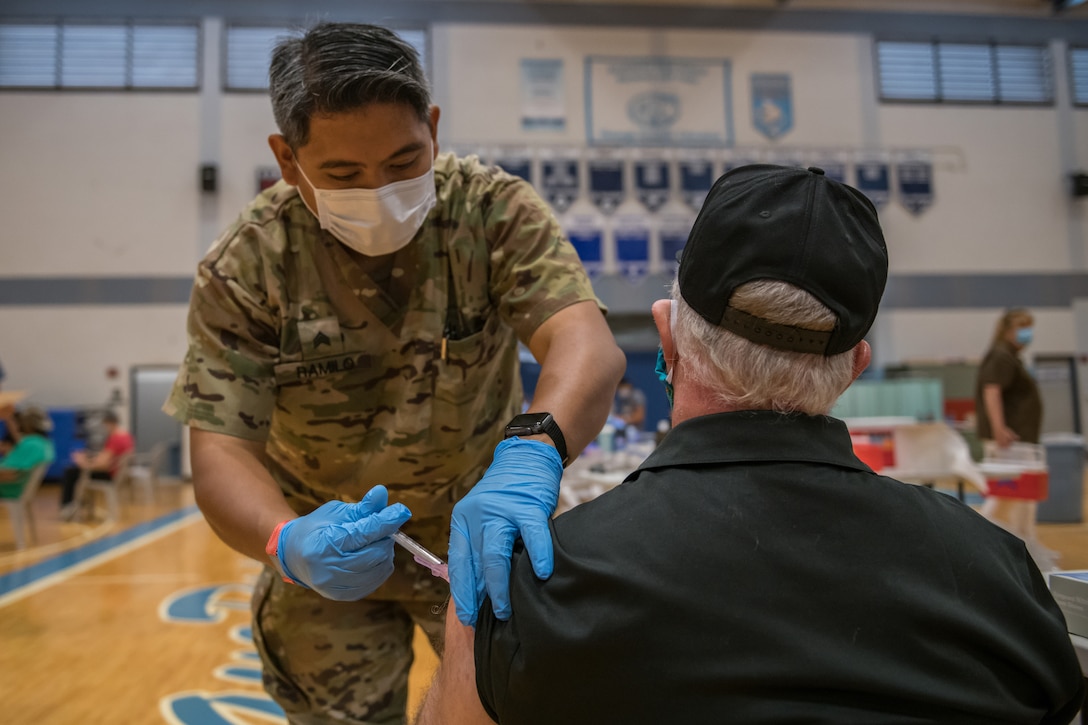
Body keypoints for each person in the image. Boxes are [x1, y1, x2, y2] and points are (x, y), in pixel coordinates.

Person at [414, 165, 1086, 725]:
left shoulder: (538, 586)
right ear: (855, 366)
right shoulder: (999, 581)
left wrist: (463, 631)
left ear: (667, 337)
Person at [162, 22, 624, 724]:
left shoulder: (491, 211)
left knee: (524, 703)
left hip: (484, 535)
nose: (379, 190)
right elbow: (221, 448)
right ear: (288, 160)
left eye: (407, 160)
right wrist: (286, 540)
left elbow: (584, 343)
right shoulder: (250, 264)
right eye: (344, 174)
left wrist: (533, 452)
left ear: (434, 129)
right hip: (328, 552)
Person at [974, 308, 1050, 558]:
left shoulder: (1012, 357)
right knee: (1006, 497)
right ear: (1007, 331)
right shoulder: (1001, 356)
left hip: (1020, 439)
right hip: (1010, 440)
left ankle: (1027, 548)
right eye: (1022, 327)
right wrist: (999, 428)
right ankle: (981, 546)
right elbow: (992, 391)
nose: (1028, 332)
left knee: (1024, 500)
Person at [57, 409, 135, 520]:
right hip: (116, 473)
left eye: (105, 425)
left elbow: (103, 465)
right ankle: (76, 505)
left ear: (110, 423)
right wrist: (91, 459)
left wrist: (83, 462)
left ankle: (68, 508)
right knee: (74, 472)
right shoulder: (126, 436)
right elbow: (107, 457)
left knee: (71, 472)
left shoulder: (115, 438)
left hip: (109, 475)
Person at [0, 405, 55, 500]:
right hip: (17, 489)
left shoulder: (31, 444)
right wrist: (8, 418)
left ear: (27, 424)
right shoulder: (42, 444)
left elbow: (13, 473)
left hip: (8, 490)